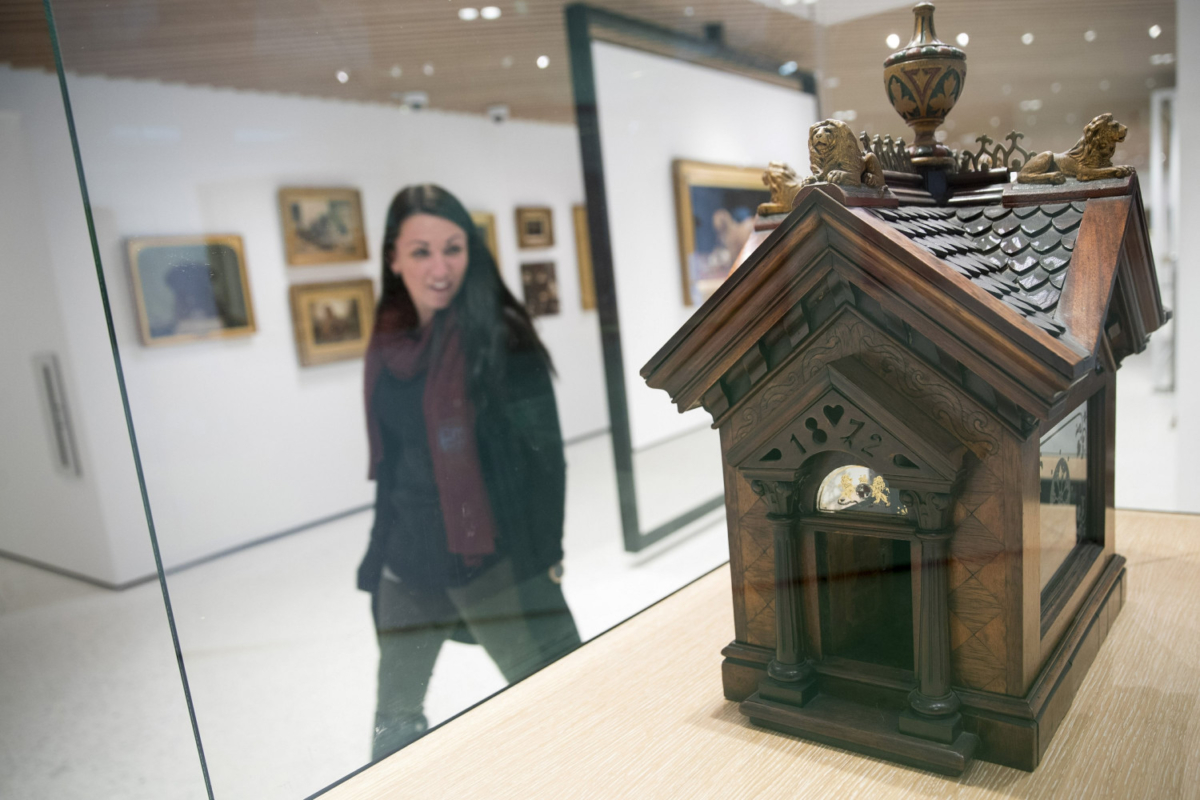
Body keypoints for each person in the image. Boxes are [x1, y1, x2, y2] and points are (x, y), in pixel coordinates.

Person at [357, 185, 581, 760]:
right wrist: (377, 551)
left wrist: (544, 560)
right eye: (421, 251)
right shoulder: (388, 340)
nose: (439, 267)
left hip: (490, 560)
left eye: (452, 249)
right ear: (393, 258)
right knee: (393, 724)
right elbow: (393, 461)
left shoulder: (500, 333)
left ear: (471, 251)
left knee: (565, 705)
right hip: (408, 560)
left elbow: (544, 458)